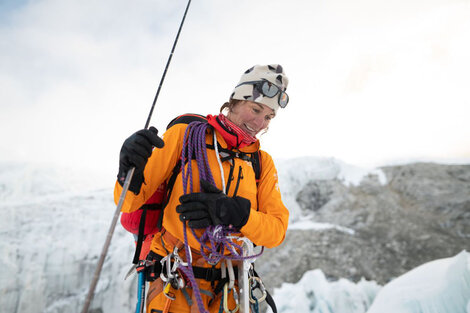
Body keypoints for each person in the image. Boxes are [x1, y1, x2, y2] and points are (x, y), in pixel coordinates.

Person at [114, 64, 290, 312]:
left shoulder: (261, 163)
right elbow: (129, 202)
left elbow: (276, 231)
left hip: (229, 286)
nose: (260, 122)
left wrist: (238, 214)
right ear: (236, 101)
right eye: (256, 109)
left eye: (269, 117)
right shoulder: (185, 136)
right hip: (174, 278)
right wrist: (128, 170)